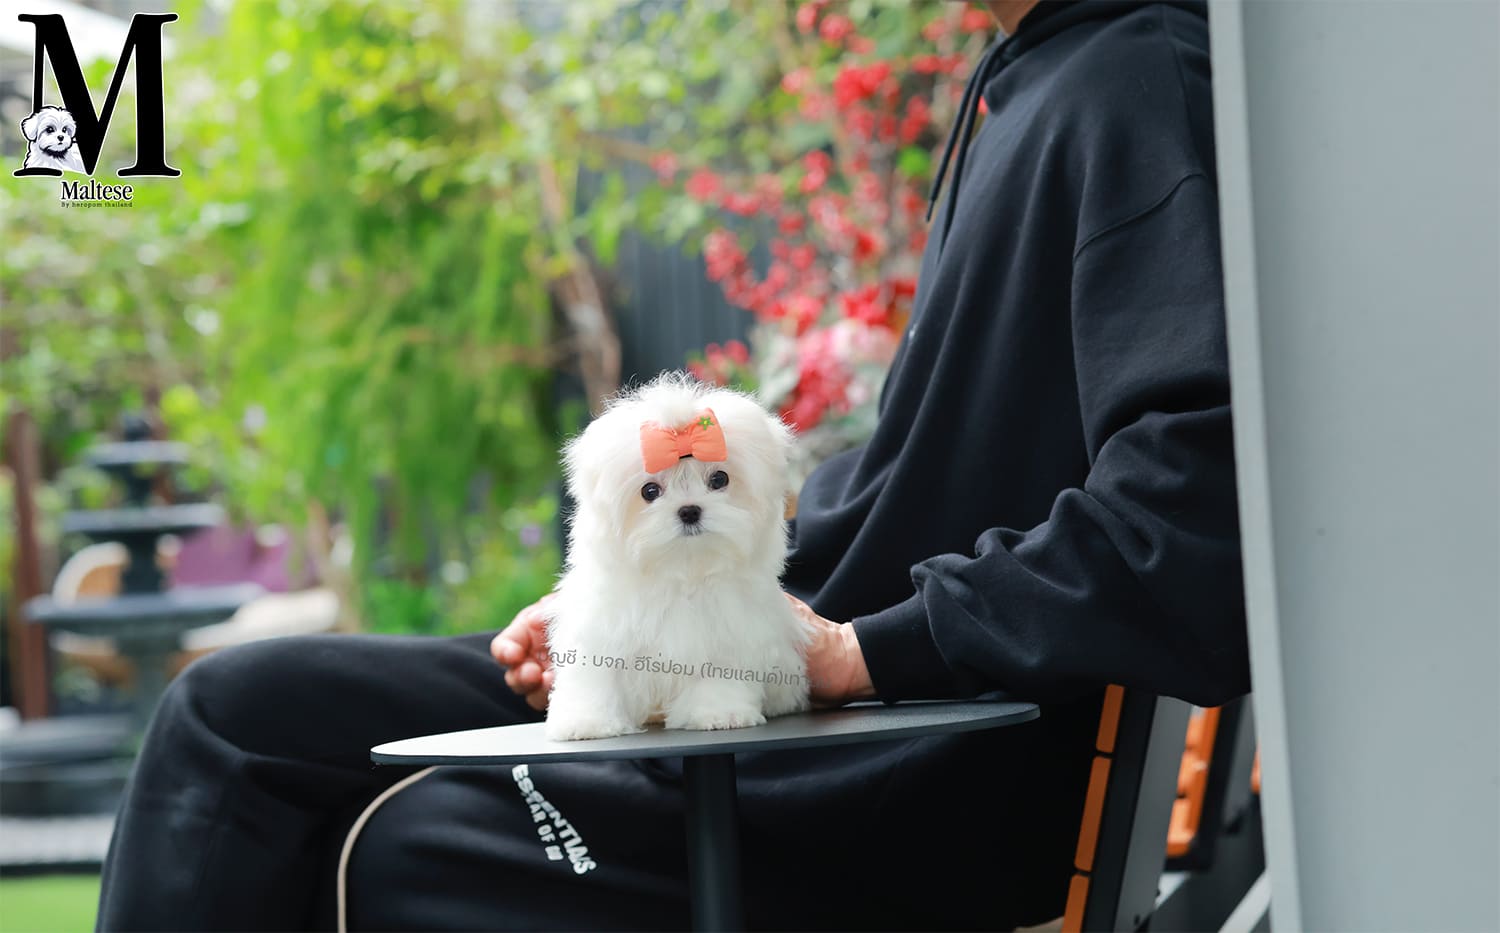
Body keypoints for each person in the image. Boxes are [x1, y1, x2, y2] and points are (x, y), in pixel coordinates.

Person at [96, 1, 1249, 929]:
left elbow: (1196, 520)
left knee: (406, 843)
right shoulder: (1035, 78)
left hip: (880, 774)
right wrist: (629, 593)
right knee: (233, 713)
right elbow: (926, 477)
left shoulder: (1137, 84)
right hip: (783, 664)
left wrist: (861, 655)